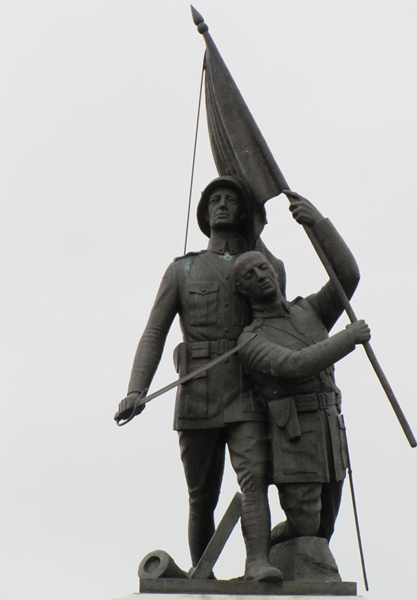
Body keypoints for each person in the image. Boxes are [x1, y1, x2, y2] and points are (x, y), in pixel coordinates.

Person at [115, 176, 284, 581]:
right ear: (205, 214)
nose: (222, 205)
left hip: (246, 387)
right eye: (215, 200)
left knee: (255, 478)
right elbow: (154, 332)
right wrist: (136, 390)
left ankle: (257, 562)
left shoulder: (263, 268)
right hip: (197, 391)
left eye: (231, 200)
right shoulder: (181, 270)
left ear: (243, 213)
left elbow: (279, 317)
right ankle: (203, 574)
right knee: (201, 495)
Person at [235, 190, 371, 546]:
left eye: (263, 267)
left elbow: (348, 275)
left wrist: (318, 224)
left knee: (324, 529)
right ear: (242, 289)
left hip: (330, 428)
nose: (260, 275)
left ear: (275, 271)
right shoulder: (250, 339)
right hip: (295, 436)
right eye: (249, 274)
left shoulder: (309, 310)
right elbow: (293, 365)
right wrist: (347, 339)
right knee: (306, 526)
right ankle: (266, 549)